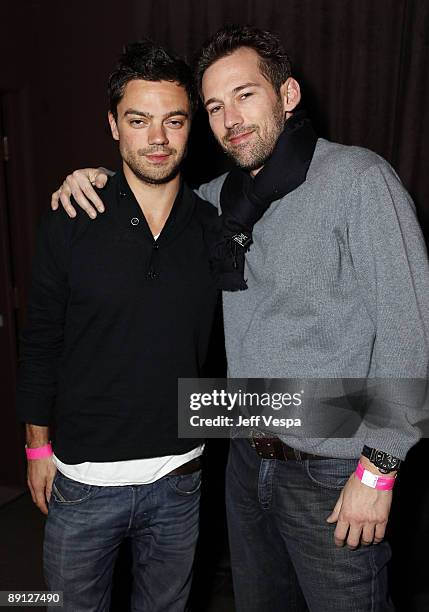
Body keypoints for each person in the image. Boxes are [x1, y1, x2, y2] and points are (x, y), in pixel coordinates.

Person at [50, 25, 429, 612]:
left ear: (288, 94)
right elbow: (149, 189)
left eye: (246, 95)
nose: (232, 119)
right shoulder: (214, 201)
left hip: (334, 472)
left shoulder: (357, 179)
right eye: (216, 106)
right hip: (244, 460)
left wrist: (378, 471)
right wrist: (93, 178)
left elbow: (411, 333)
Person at [17, 40, 221, 611]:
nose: (156, 139)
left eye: (173, 121)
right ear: (113, 124)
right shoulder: (71, 216)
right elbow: (40, 343)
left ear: (190, 128)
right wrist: (37, 450)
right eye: (138, 120)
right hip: (82, 483)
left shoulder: (214, 228)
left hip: (180, 479)